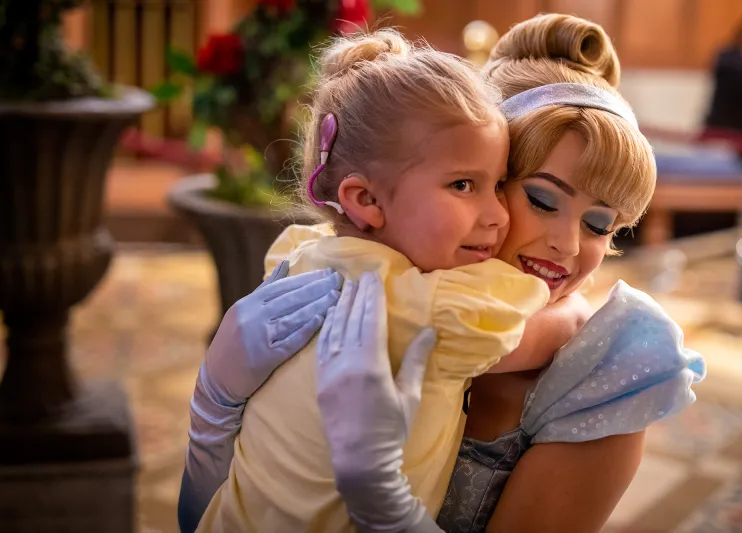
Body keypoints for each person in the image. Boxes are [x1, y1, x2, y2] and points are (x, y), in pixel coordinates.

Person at [179, 14, 706, 533]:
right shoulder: (355, 271)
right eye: (541, 199)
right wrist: (214, 411)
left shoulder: (603, 371)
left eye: (600, 224)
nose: (567, 245)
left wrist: (384, 505)